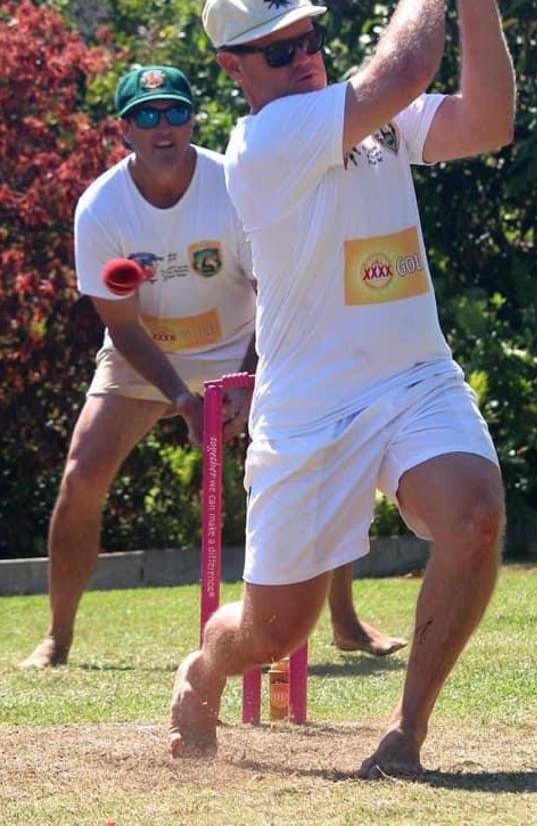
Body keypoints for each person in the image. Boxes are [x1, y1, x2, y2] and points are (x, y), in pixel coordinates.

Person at [170, 0, 515, 775]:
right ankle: (203, 668)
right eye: (280, 50)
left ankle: (406, 736)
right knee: (273, 631)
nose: (305, 56)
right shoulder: (266, 142)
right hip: (310, 406)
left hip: (412, 379)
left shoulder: (364, 117)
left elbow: (487, 121)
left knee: (473, 516)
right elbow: (406, 65)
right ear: (233, 69)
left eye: (310, 37)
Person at [21, 65, 401, 670]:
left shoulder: (232, 183)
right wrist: (182, 398)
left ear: (193, 118)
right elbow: (121, 327)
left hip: (247, 343)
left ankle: (346, 622)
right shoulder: (101, 208)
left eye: (174, 111)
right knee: (80, 477)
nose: (163, 126)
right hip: (148, 355)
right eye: (146, 116)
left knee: (316, 460)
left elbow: (275, 290)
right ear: (124, 130)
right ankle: (57, 639)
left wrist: (247, 383)